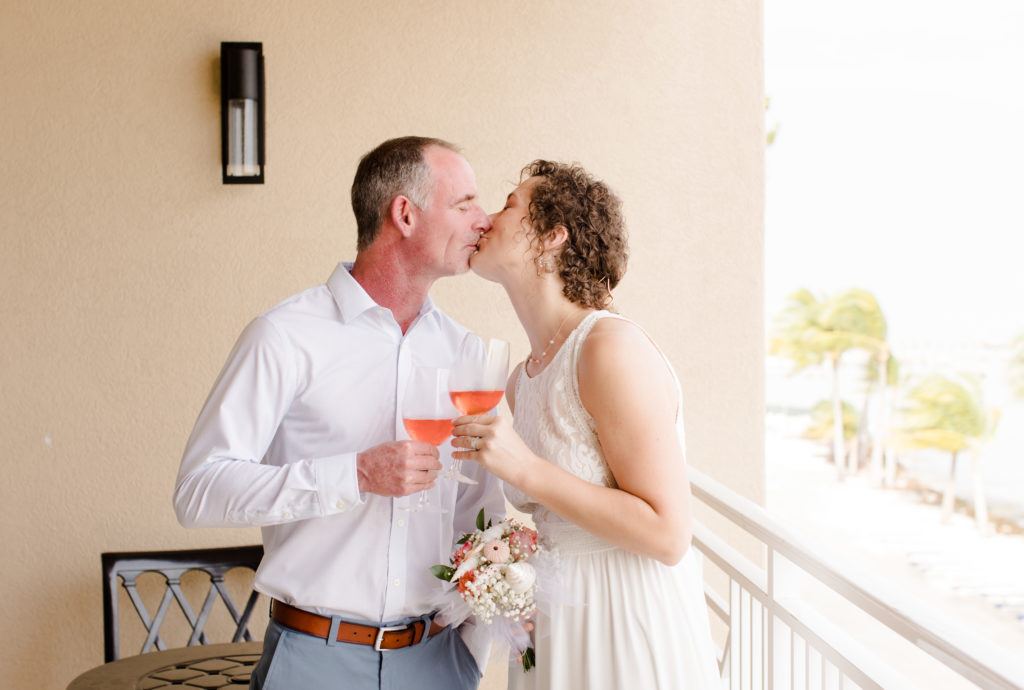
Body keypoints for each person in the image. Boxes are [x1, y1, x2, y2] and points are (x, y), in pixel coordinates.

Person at [173, 136, 506, 690]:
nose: (484, 219)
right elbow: (198, 491)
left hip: (438, 664)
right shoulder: (284, 337)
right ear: (404, 213)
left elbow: (479, 513)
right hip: (314, 663)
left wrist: (470, 652)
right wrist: (354, 474)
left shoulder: (466, 354)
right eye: (465, 202)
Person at [451, 160, 722, 689]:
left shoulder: (608, 349)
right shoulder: (520, 379)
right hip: (556, 622)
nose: (485, 218)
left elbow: (669, 535)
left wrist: (525, 470)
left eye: (508, 205)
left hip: (627, 623)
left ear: (553, 236)